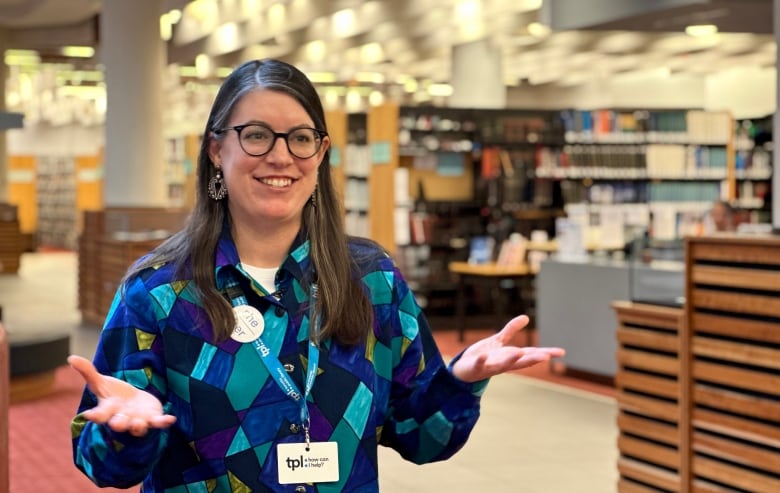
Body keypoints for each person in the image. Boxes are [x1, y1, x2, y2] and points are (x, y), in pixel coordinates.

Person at [68, 58, 565, 492]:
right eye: (257, 135)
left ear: (321, 153)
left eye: (300, 138)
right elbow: (102, 466)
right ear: (217, 150)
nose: (281, 156)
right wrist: (123, 433)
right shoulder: (159, 293)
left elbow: (420, 440)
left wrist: (459, 382)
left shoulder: (372, 282)